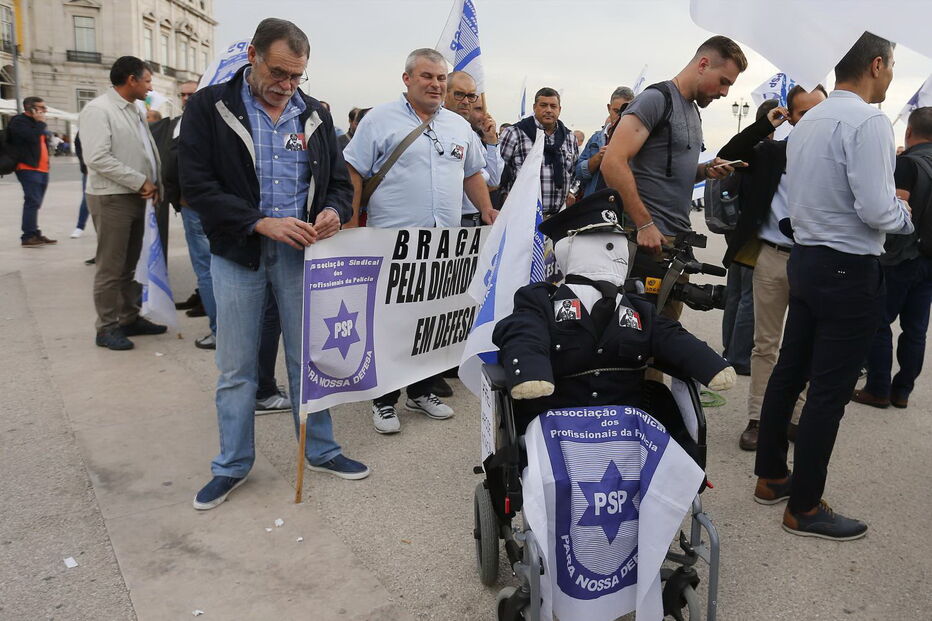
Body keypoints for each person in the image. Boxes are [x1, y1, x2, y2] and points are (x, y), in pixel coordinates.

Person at [180, 18, 370, 510]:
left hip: (301, 255)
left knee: (311, 361)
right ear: (253, 57)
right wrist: (260, 222)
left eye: (297, 76)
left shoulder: (315, 115)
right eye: (279, 73)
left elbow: (338, 184)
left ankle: (322, 450)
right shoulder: (209, 107)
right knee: (237, 366)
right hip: (239, 253)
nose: (286, 87)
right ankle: (232, 465)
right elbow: (197, 188)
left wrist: (332, 211)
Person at [753, 32, 913, 541]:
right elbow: (875, 208)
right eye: (891, 67)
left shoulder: (807, 122)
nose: (890, 77)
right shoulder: (868, 122)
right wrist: (905, 216)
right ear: (876, 64)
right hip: (848, 267)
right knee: (829, 390)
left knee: (790, 372)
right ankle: (804, 506)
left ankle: (772, 476)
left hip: (807, 258)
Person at [491, 189, 736, 432]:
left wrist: (708, 363)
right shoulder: (541, 301)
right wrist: (529, 368)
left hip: (626, 433)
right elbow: (523, 332)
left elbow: (671, 336)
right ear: (568, 247)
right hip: (556, 428)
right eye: (604, 243)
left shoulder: (639, 310)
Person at [343, 47, 496, 435]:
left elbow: (473, 173)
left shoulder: (458, 126)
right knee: (391, 322)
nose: (435, 84)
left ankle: (422, 391)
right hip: (393, 243)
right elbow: (354, 172)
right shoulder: (379, 120)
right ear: (407, 79)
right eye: (427, 76)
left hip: (443, 247)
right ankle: (383, 400)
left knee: (432, 320)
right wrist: (348, 224)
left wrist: (488, 211)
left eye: (441, 78)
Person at [717, 85, 828, 450]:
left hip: (818, 261)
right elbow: (729, 154)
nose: (813, 120)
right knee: (766, 344)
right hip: (774, 257)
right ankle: (759, 418)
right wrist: (765, 123)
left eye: (820, 111)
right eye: (804, 113)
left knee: (810, 343)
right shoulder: (771, 152)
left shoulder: (838, 157)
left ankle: (795, 415)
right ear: (791, 118)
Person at [601, 36, 748, 259]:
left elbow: (673, 172)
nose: (725, 92)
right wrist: (644, 224)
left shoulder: (693, 111)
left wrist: (707, 170)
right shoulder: (655, 99)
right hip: (645, 240)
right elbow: (612, 163)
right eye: (724, 81)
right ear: (703, 65)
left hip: (675, 241)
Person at [79, 56, 166, 351]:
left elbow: (143, 149)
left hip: (134, 196)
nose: (150, 86)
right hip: (111, 197)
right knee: (110, 266)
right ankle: (105, 327)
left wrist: (154, 183)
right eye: (147, 80)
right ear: (131, 80)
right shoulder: (98, 110)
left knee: (130, 263)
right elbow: (97, 157)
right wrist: (140, 180)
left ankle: (129, 317)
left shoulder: (134, 109)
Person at [853, 106, 932, 410]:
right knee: (916, 329)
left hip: (901, 258)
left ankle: (878, 388)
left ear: (909, 132)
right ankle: (902, 392)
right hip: (928, 261)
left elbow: (897, 212)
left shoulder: (908, 164)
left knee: (879, 321)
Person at [149, 80, 216, 350]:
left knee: (208, 270)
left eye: (192, 94)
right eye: (183, 94)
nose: (187, 98)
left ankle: (220, 330)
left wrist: (178, 196)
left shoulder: (195, 120)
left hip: (198, 205)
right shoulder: (210, 116)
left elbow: (174, 164)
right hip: (201, 204)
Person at [719, 100, 779, 379]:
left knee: (736, 294)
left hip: (740, 231)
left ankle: (729, 349)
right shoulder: (763, 151)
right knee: (747, 297)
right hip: (754, 235)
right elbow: (727, 155)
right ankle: (738, 355)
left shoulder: (757, 150)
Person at [499, 87, 579, 217]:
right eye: (543, 105)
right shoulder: (515, 133)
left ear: (559, 110)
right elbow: (499, 172)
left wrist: (572, 191)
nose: (548, 110)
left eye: (553, 106)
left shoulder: (570, 138)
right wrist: (504, 196)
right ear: (535, 107)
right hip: (522, 216)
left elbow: (576, 173)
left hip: (558, 218)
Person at [443, 71, 503, 227]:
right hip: (452, 221)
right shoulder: (436, 129)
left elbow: (495, 180)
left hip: (476, 220)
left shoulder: (472, 136)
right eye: (459, 95)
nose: (466, 102)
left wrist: (491, 142)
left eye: (471, 97)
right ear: (444, 94)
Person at [8, 96, 55, 247]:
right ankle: (27, 236)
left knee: (36, 202)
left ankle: (34, 232)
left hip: (42, 168)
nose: (44, 111)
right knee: (32, 201)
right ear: (31, 108)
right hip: (28, 167)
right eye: (41, 108)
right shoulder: (18, 122)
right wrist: (40, 122)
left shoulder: (37, 123)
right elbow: (31, 137)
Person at [575, 86, 634, 198]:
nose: (620, 117)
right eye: (616, 111)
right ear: (609, 108)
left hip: (622, 208)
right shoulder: (596, 139)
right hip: (594, 205)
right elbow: (578, 174)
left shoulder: (639, 140)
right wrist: (598, 157)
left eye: (626, 112)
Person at [71, 133, 91, 240]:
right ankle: (80, 226)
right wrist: (84, 165)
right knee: (86, 198)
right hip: (89, 168)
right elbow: (78, 146)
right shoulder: (84, 127)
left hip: (108, 168)